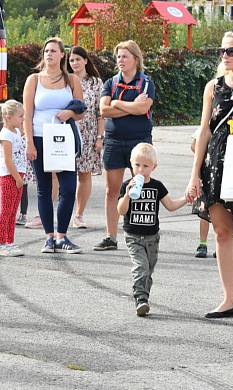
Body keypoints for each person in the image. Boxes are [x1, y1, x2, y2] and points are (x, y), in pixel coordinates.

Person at [187, 29, 233, 318]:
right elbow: (204, 129)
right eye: (222, 51)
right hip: (215, 163)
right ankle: (229, 299)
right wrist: (195, 174)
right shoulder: (213, 86)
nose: (225, 56)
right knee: (221, 232)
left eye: (231, 50)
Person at [22, 37, 84, 254]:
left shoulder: (72, 80)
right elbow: (27, 114)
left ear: (62, 55)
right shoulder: (33, 80)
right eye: (46, 51)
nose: (49, 54)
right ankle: (49, 237)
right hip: (39, 137)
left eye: (53, 51)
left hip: (63, 138)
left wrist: (69, 113)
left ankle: (62, 236)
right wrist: (29, 142)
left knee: (68, 187)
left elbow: (81, 111)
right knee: (44, 188)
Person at [95, 40, 155, 251]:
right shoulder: (110, 82)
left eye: (125, 56)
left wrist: (117, 104)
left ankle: (142, 235)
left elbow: (142, 109)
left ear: (135, 59)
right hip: (113, 140)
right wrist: (129, 106)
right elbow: (103, 110)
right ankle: (111, 237)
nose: (120, 60)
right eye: (118, 56)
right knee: (112, 190)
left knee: (141, 186)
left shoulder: (146, 82)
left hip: (139, 140)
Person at [117, 143, 187, 317]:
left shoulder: (157, 186)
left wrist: (187, 198)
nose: (140, 170)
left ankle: (144, 298)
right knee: (140, 267)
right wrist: (127, 194)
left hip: (152, 237)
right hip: (133, 236)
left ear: (153, 167)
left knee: (148, 271)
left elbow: (170, 205)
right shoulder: (127, 184)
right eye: (137, 165)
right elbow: (121, 210)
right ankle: (140, 299)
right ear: (131, 164)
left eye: (145, 166)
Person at [67, 46, 104, 229]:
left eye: (78, 60)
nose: (74, 63)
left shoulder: (96, 82)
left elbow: (100, 113)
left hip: (89, 134)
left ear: (85, 61)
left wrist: (99, 137)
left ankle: (79, 214)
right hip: (67, 132)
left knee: (84, 174)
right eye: (71, 60)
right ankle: (60, 213)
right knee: (62, 175)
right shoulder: (65, 81)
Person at [0, 100, 27, 257]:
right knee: (6, 211)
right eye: (20, 116)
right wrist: (17, 178)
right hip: (9, 176)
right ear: (8, 117)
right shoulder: (6, 135)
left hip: (18, 174)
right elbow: (7, 160)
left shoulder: (16, 132)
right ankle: (0, 244)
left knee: (13, 211)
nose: (23, 119)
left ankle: (9, 242)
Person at [190, 131, 212, 258]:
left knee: (221, 213)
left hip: (221, 171)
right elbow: (193, 145)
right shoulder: (206, 126)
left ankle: (222, 244)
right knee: (204, 212)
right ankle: (202, 243)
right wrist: (203, 152)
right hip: (205, 173)